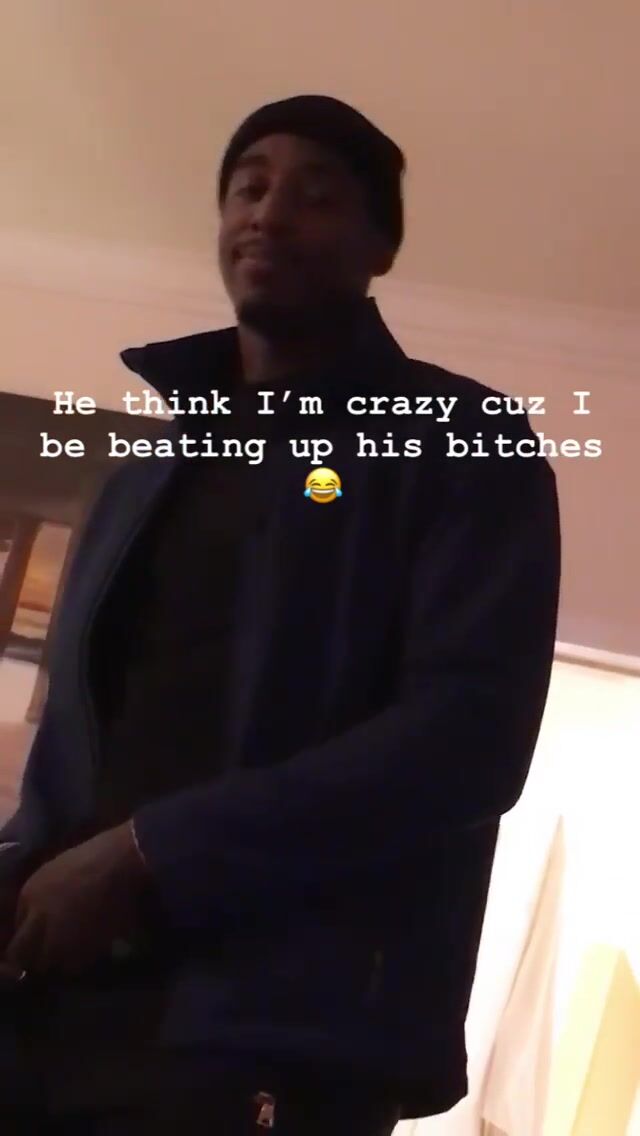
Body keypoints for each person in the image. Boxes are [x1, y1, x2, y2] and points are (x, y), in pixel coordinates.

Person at [0, 94, 561, 1134]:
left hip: (274, 1035)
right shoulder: (141, 474)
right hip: (47, 1017)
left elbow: (467, 740)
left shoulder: (459, 441)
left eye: (316, 194)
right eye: (248, 187)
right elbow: (74, 757)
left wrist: (149, 851)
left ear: (381, 246)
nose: (267, 212)